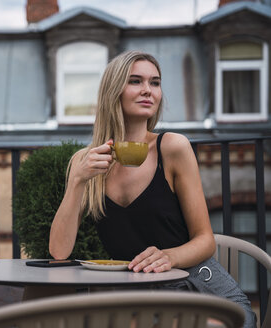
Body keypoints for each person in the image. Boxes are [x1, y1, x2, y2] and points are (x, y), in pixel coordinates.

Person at [49, 50, 256, 327]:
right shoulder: (87, 162)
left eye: (155, 82)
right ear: (114, 91)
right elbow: (59, 252)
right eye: (135, 81)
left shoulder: (172, 148)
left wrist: (168, 256)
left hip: (200, 289)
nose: (148, 90)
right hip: (140, 300)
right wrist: (77, 181)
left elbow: (205, 240)